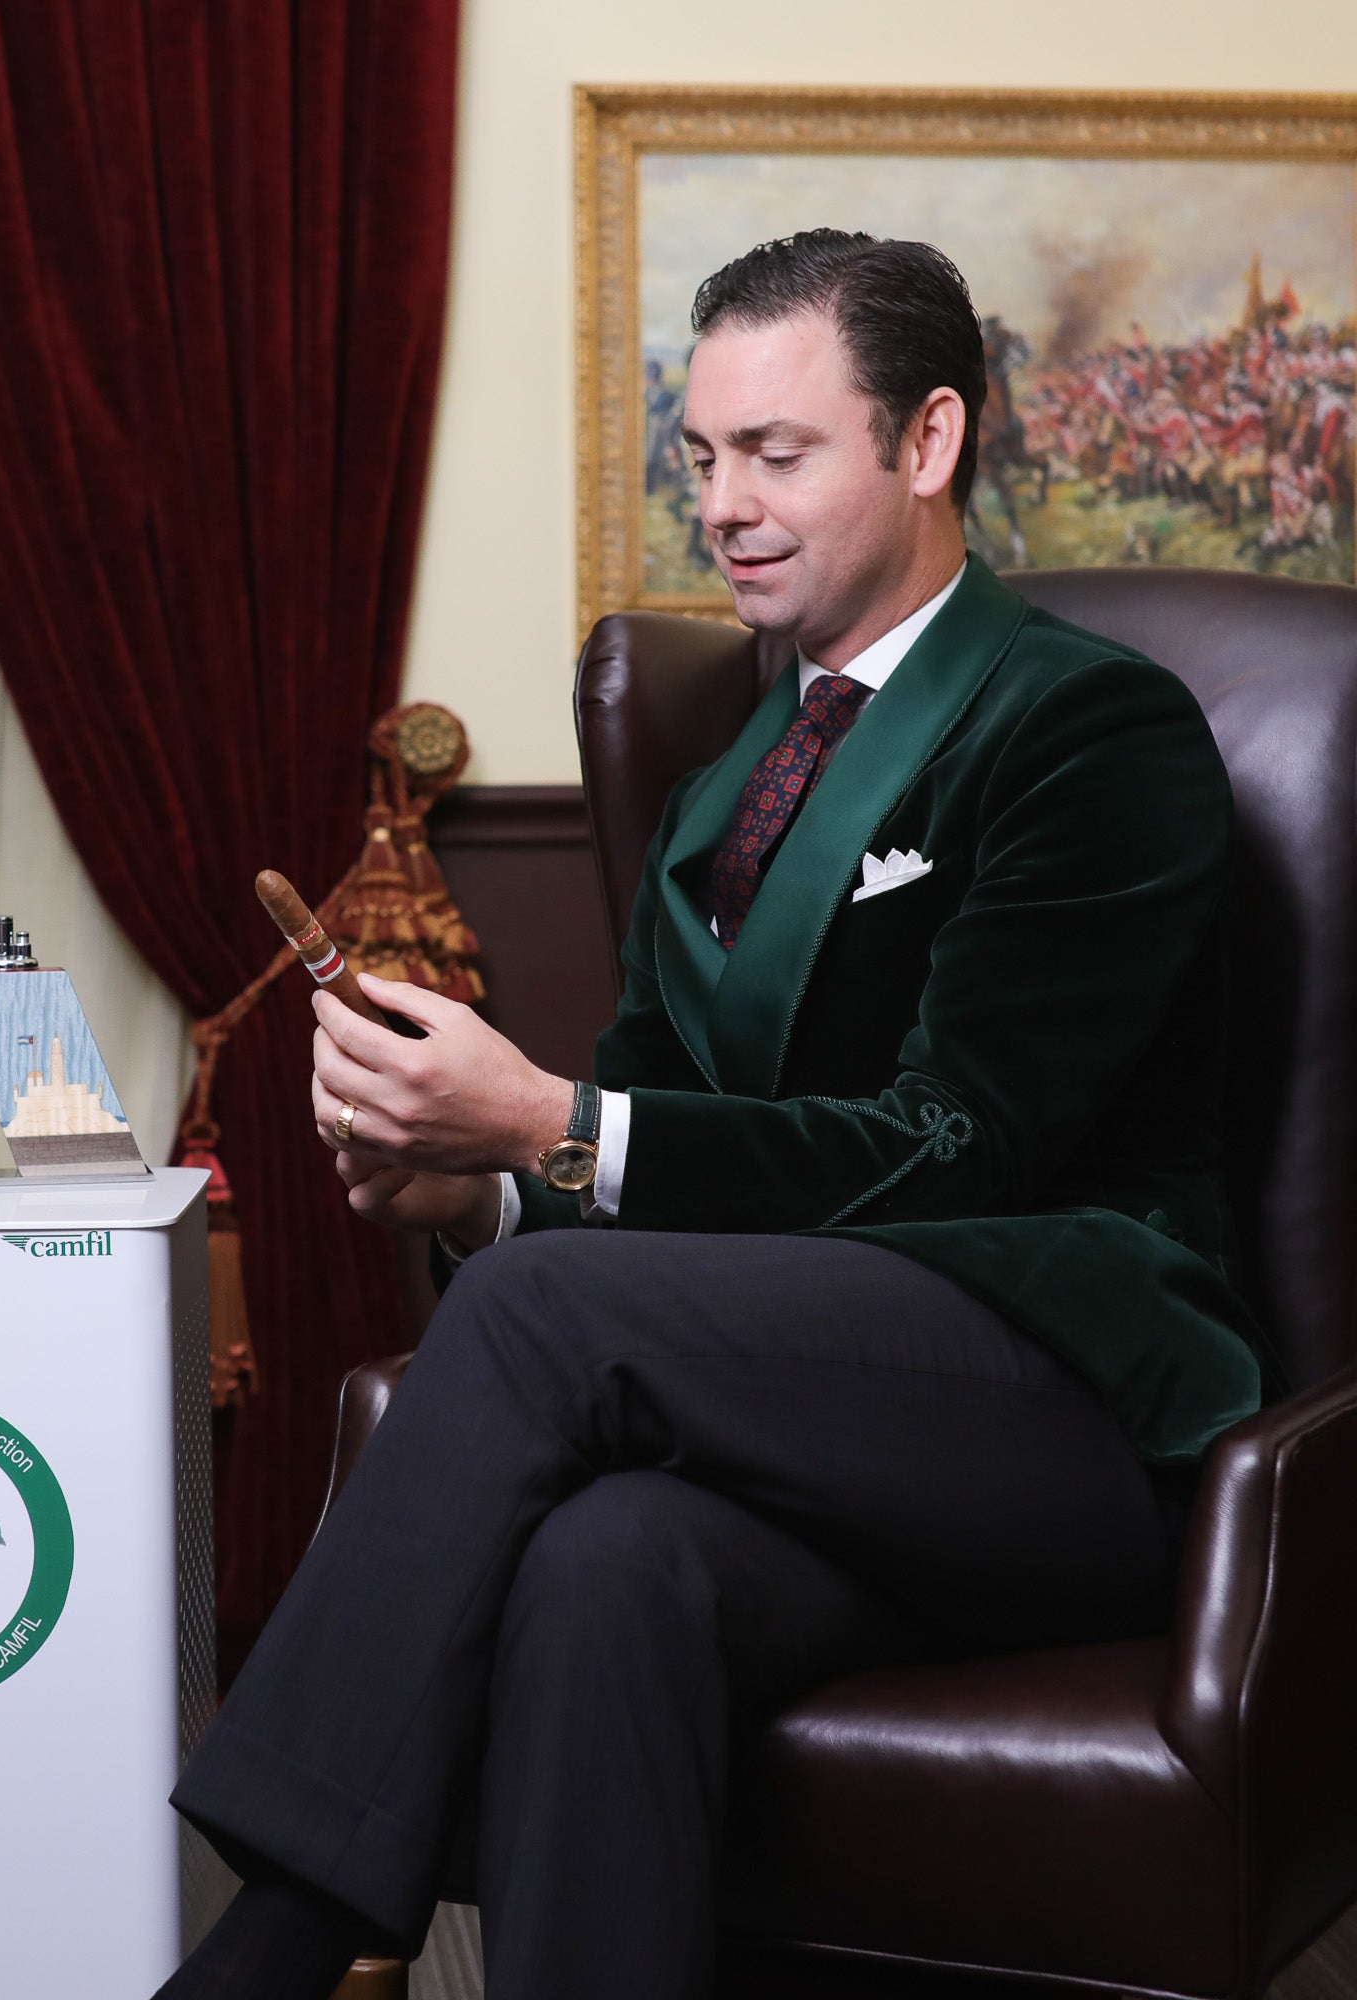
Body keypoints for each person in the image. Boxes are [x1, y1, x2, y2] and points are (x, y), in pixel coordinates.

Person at [155, 230, 1264, 2000]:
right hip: (813, 1415)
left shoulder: (1086, 728)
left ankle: (275, 1945)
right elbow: (636, 1127)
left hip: (1077, 1417)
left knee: (533, 1328)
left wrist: (541, 1127)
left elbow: (960, 1145)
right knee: (613, 1565)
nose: (727, 506)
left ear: (927, 443)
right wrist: (469, 1187)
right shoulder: (722, 799)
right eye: (702, 457)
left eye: (780, 452)